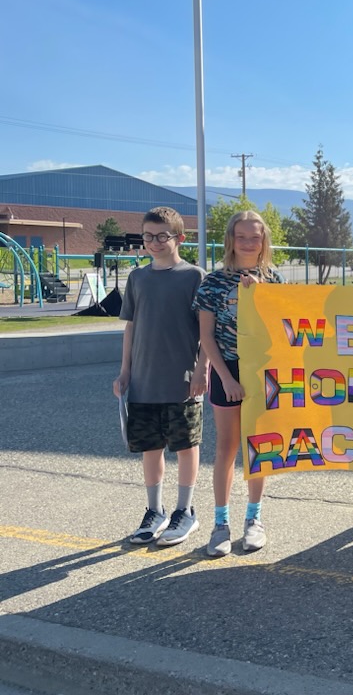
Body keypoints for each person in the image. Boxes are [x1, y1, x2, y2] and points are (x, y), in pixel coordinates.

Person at [114, 207, 207, 547]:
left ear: (179, 238)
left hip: (182, 382)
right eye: (148, 236)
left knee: (185, 446)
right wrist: (125, 372)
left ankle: (186, 511)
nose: (153, 242)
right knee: (150, 448)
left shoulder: (194, 276)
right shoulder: (137, 278)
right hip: (143, 382)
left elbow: (206, 332)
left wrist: (201, 370)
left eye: (162, 236)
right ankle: (155, 511)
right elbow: (131, 327)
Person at [193, 211, 284, 557]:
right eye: (241, 236)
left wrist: (260, 298)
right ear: (230, 239)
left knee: (260, 448)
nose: (248, 243)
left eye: (255, 237)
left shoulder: (274, 280)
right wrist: (225, 377)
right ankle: (220, 524)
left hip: (262, 371)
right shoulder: (213, 283)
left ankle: (254, 519)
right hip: (226, 369)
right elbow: (206, 336)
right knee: (227, 448)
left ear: (264, 241)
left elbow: (281, 332)